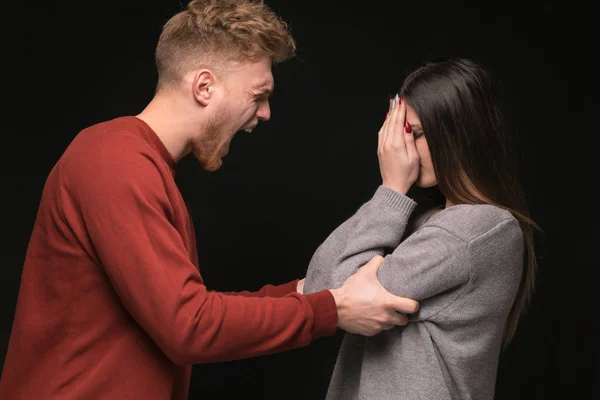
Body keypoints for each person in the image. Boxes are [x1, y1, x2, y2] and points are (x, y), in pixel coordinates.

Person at [0, 1, 420, 399]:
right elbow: (189, 326)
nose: (266, 113)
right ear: (204, 86)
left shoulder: (139, 163)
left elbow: (186, 308)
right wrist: (330, 311)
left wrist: (308, 291)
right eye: (258, 94)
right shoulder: (113, 161)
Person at [302, 58, 539, 400]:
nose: (403, 148)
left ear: (457, 132)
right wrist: (390, 196)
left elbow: (340, 295)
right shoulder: (417, 222)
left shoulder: (482, 228)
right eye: (400, 134)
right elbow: (319, 290)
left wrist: (393, 190)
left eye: (415, 133)